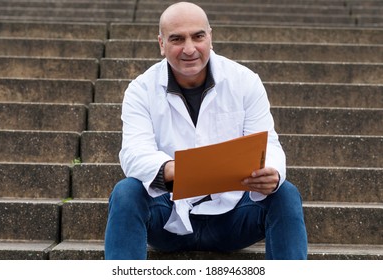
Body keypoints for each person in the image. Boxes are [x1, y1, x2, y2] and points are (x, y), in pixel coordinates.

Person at [104, 1, 308, 260]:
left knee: (285, 192)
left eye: (198, 36)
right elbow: (134, 152)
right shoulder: (141, 89)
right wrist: (176, 170)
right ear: (161, 43)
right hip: (167, 219)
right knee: (126, 192)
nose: (189, 49)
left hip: (233, 219)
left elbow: (268, 143)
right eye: (177, 39)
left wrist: (272, 174)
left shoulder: (244, 81)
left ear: (210, 37)